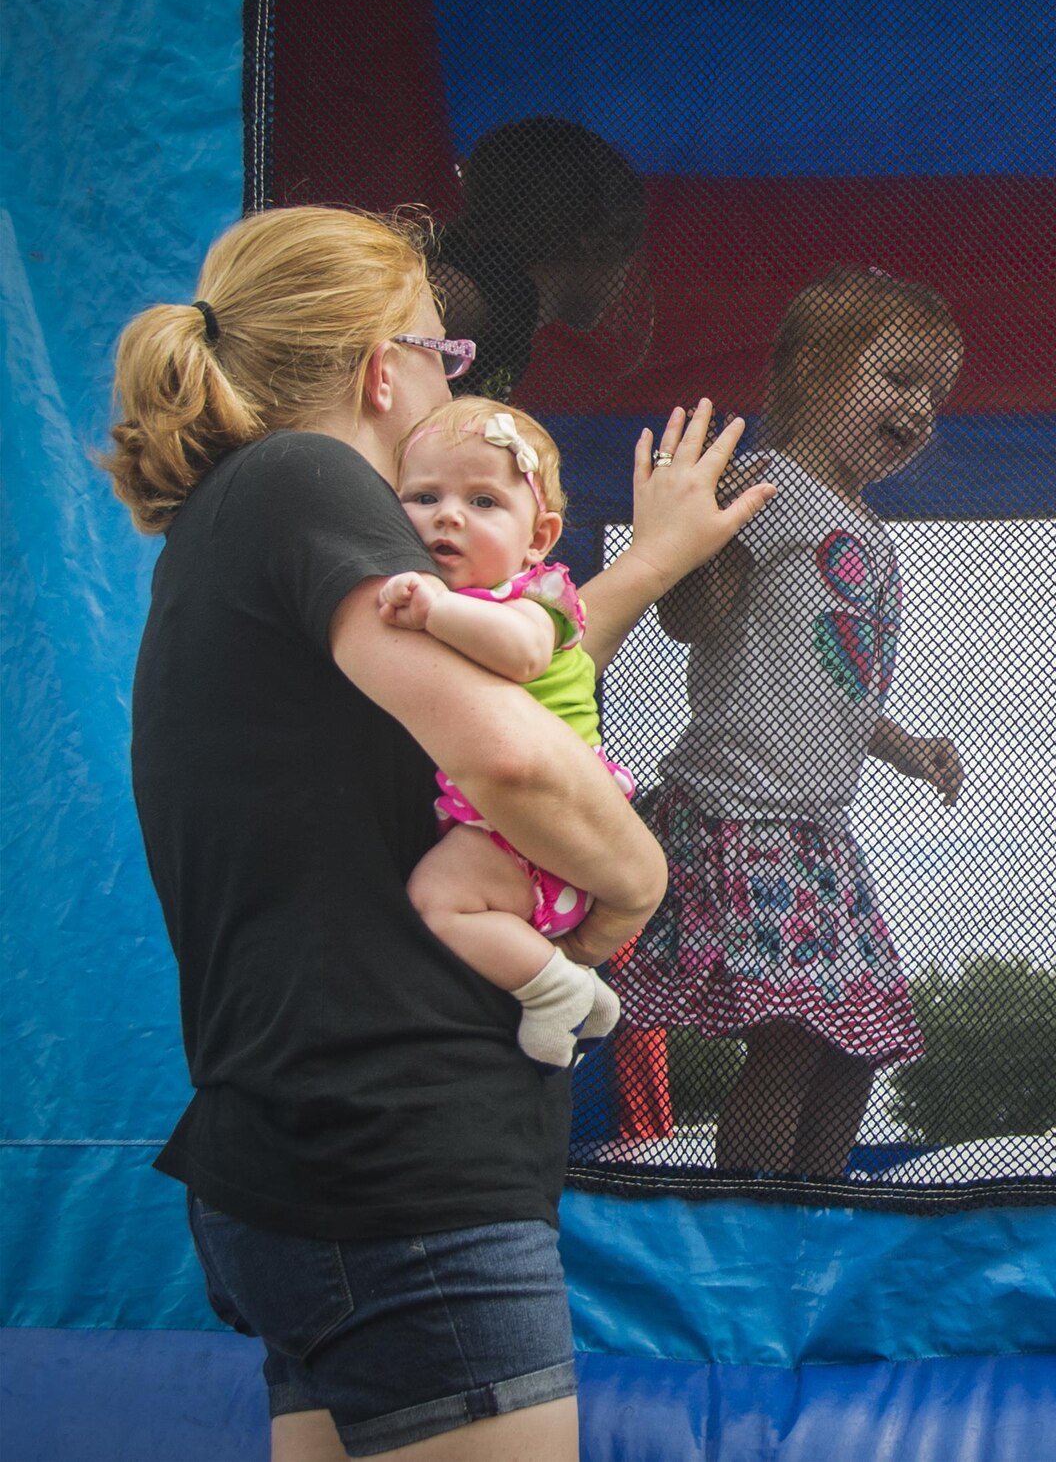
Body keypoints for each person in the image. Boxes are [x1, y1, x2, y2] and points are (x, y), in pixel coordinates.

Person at [108, 204, 753, 1460]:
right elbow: (510, 755)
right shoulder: (311, 483)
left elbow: (503, 678)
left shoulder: (235, 531)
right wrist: (635, 875)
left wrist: (643, 569)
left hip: (306, 1166)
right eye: (444, 359)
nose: (446, 390)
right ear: (380, 367)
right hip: (402, 1166)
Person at [611, 268, 965, 1178]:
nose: (921, 407)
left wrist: (905, 744)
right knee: (795, 1036)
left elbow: (832, 679)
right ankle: (754, 1221)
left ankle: (815, 1208)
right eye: (899, 378)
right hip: (745, 811)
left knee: (858, 1038)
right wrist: (697, 537)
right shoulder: (771, 484)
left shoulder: (869, 528)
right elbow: (689, 619)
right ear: (812, 373)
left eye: (936, 392)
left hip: (818, 828)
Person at [382, 397, 768, 1072]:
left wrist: (435, 609)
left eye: (483, 501)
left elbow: (523, 653)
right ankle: (566, 987)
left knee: (438, 900)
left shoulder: (535, 601)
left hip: (538, 835)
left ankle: (555, 987)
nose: (448, 514)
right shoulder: (459, 601)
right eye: (422, 496)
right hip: (526, 838)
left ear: (538, 539)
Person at [429, 118, 647, 401]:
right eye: (626, 254)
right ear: (595, 244)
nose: (626, 277)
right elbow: (381, 300)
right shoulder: (476, 294)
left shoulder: (514, 309)